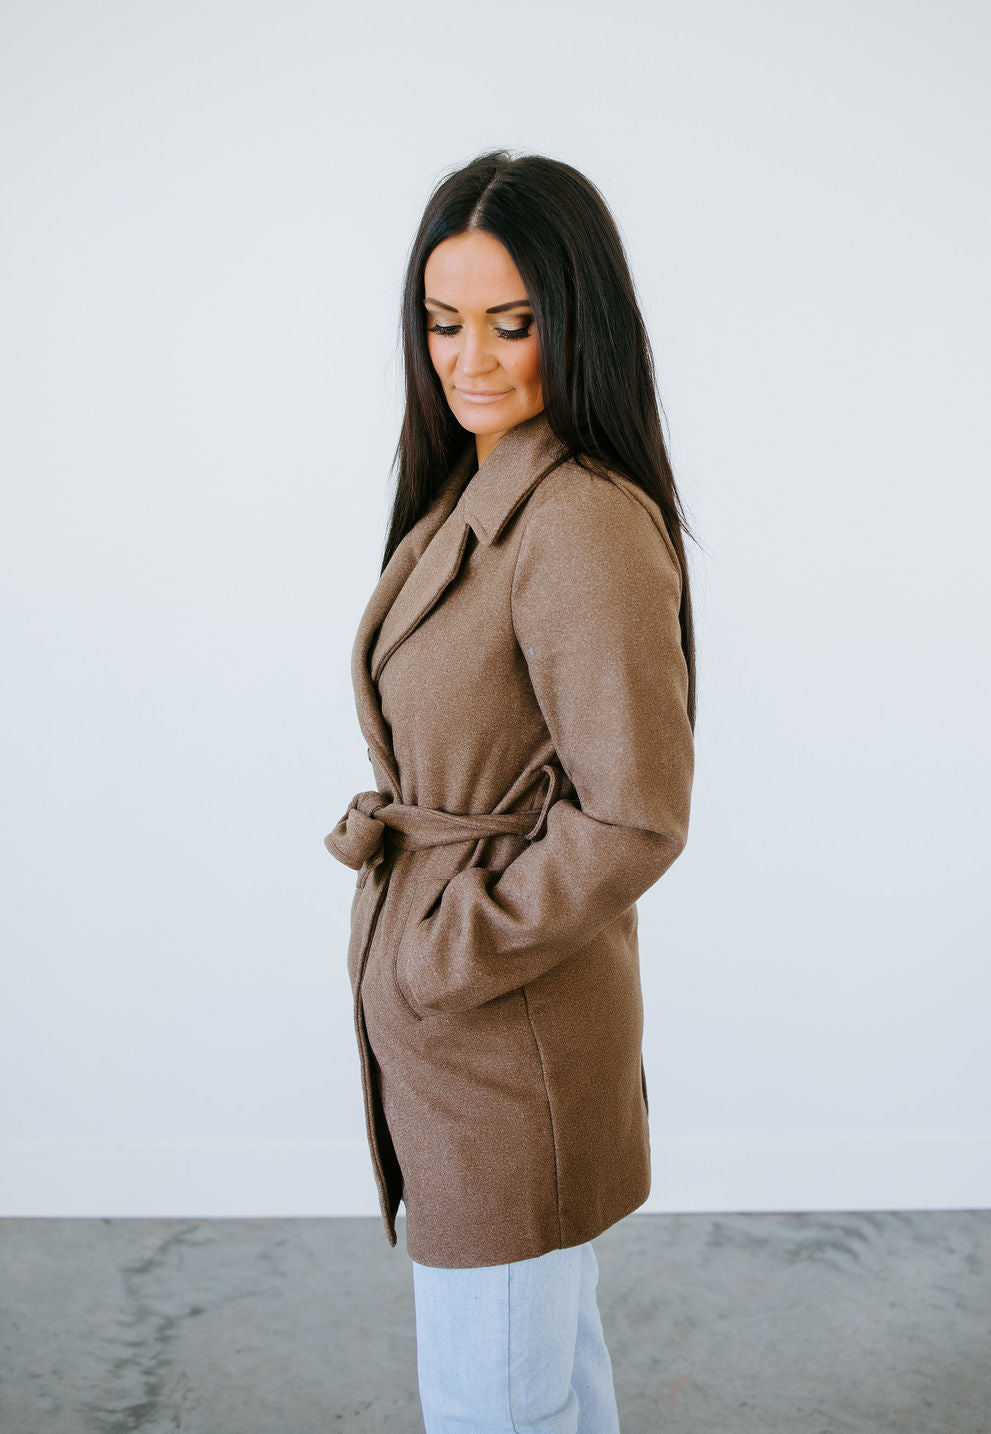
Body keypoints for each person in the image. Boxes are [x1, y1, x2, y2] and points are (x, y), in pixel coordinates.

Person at [324, 149, 698, 1434]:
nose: (468, 358)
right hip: (468, 1031)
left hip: (503, 1033)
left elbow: (635, 815)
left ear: (576, 320)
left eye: (510, 321)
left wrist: (439, 956)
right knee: (545, 1386)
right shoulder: (471, 486)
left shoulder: (579, 520)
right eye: (443, 322)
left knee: (495, 1404)